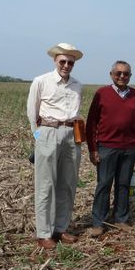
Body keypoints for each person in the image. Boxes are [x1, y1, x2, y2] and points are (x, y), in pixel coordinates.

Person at [26, 41, 84, 250]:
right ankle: (43, 232)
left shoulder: (77, 85)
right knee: (46, 185)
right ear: (55, 60)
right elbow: (32, 114)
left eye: (70, 62)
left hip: (71, 134)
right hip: (48, 132)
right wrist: (40, 136)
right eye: (63, 61)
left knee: (68, 184)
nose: (66, 65)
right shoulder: (41, 81)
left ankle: (61, 228)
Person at [85, 61, 135, 237]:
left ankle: (121, 219)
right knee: (104, 184)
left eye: (126, 74)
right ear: (111, 74)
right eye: (118, 73)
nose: (122, 76)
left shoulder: (134, 95)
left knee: (124, 184)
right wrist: (93, 149)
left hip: (129, 148)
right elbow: (91, 123)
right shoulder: (102, 93)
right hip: (107, 146)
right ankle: (98, 223)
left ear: (130, 76)